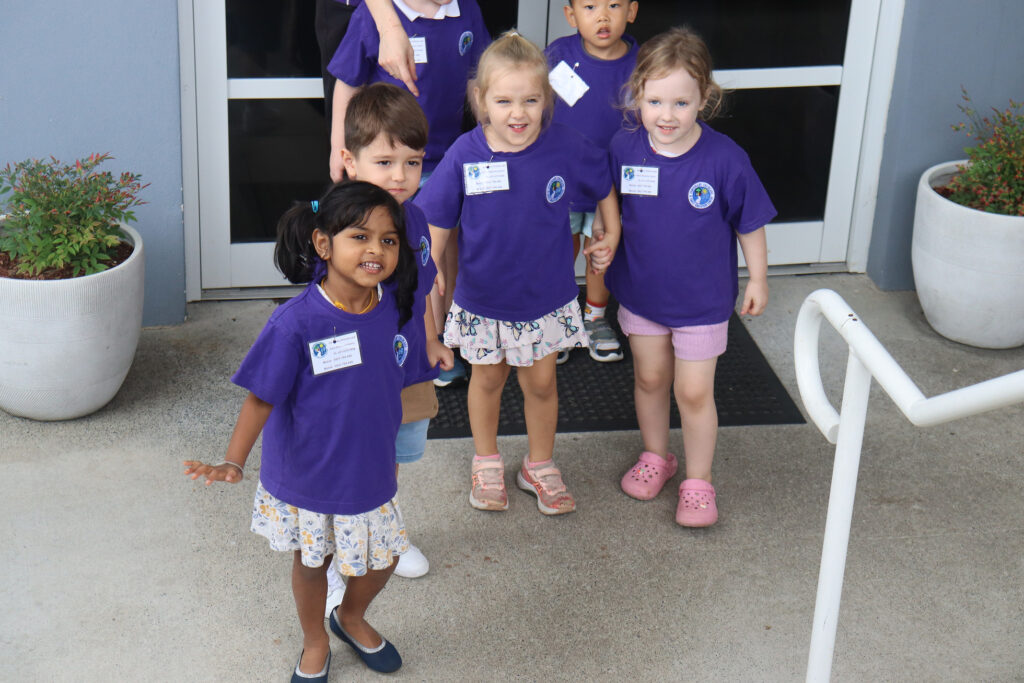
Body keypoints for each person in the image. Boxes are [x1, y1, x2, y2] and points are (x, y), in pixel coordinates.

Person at [183, 181, 420, 680]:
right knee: (313, 563)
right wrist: (233, 460)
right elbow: (260, 397)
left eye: (389, 239)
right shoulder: (295, 323)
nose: (376, 249)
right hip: (309, 475)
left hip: (371, 471)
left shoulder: (393, 304)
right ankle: (315, 640)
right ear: (322, 244)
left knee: (385, 558)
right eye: (360, 236)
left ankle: (350, 617)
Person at [414, 31, 622, 514]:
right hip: (484, 300)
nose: (518, 113)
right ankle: (486, 460)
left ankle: (539, 464)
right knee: (487, 381)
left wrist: (610, 229)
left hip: (545, 299)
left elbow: (601, 179)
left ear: (546, 100)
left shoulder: (564, 145)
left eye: (530, 100)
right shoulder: (465, 155)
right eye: (504, 100)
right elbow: (436, 222)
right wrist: (428, 271)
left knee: (542, 384)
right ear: (481, 100)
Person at [607, 27, 776, 527]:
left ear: (705, 97)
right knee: (650, 378)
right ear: (637, 94)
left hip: (702, 303)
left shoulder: (726, 160)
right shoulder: (624, 148)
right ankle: (657, 456)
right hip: (641, 294)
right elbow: (610, 211)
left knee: (695, 392)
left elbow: (751, 222)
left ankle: (699, 482)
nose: (666, 115)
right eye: (655, 100)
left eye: (681, 102)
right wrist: (602, 240)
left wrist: (759, 278)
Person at [321, 83, 455, 616]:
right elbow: (325, 316)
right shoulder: (339, 230)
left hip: (408, 370)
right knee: (351, 465)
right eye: (384, 162)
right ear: (350, 162)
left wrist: (432, 340)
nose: (400, 177)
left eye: (412, 162)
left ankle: (384, 537)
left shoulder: (417, 222)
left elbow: (419, 291)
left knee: (392, 462)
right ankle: (335, 560)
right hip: (357, 381)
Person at [326, 0, 491, 390]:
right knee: (408, 252)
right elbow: (348, 80)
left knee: (440, 254)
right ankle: (408, 344)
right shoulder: (374, 14)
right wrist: (338, 146)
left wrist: (492, 132)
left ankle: (442, 339)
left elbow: (477, 77)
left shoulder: (466, 10)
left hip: (446, 158)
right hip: (389, 164)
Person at [545, 0, 639, 365]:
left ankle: (595, 318)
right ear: (571, 16)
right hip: (564, 180)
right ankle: (560, 319)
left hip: (613, 185)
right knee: (559, 251)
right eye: (590, 7)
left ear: (631, 11)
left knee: (601, 253)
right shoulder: (558, 55)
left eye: (614, 5)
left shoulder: (642, 64)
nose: (602, 16)